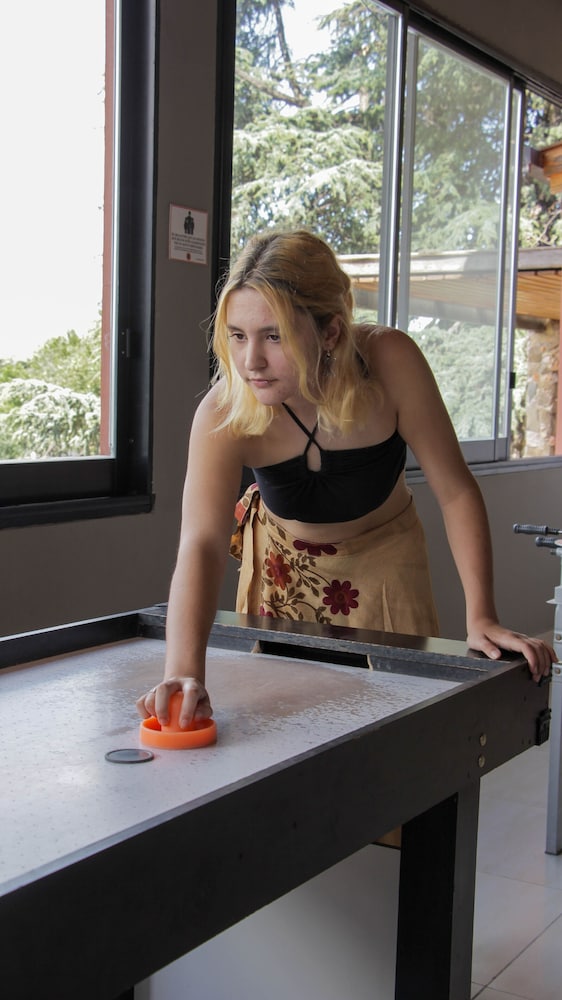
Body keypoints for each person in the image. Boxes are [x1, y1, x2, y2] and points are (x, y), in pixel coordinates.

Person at [136, 229, 554, 730]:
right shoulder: (224, 408)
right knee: (288, 717)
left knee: (399, 724)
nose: (251, 362)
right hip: (283, 568)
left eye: (274, 336)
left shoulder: (390, 362)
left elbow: (456, 490)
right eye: (238, 336)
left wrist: (481, 616)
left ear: (330, 332)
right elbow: (201, 543)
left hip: (385, 562)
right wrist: (183, 672)